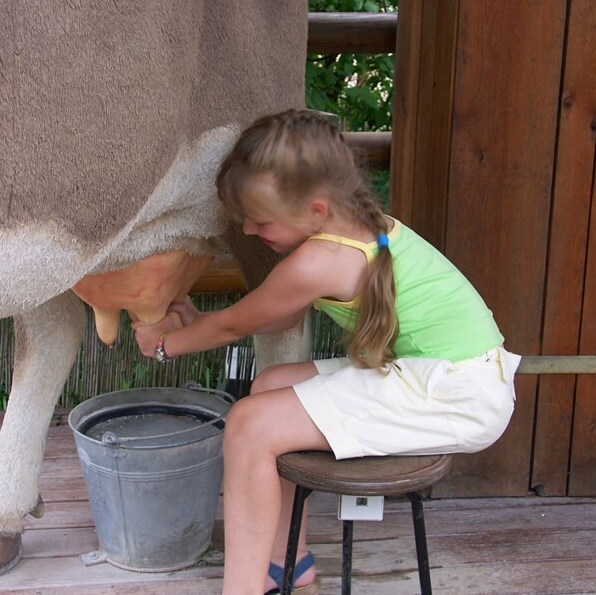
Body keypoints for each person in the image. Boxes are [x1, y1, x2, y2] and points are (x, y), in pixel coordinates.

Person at [132, 109, 520, 595]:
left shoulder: (319, 261)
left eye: (260, 220)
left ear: (315, 210)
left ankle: (242, 589)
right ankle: (286, 564)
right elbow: (281, 315)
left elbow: (234, 324)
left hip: (459, 391)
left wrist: (163, 343)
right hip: (449, 375)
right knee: (271, 384)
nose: (250, 231)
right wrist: (195, 325)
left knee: (250, 424)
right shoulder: (357, 225)